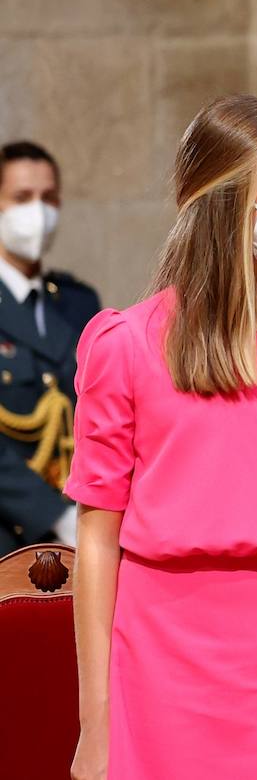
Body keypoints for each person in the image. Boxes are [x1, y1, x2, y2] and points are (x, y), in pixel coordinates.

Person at [65, 95, 257, 779]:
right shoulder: (125, 345)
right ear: (228, 198)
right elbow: (97, 535)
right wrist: (97, 720)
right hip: (161, 665)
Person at [0, 141, 100, 555]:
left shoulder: (78, 302)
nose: (38, 213)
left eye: (49, 198)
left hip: (78, 530)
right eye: (22, 198)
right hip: (10, 535)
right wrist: (53, 515)